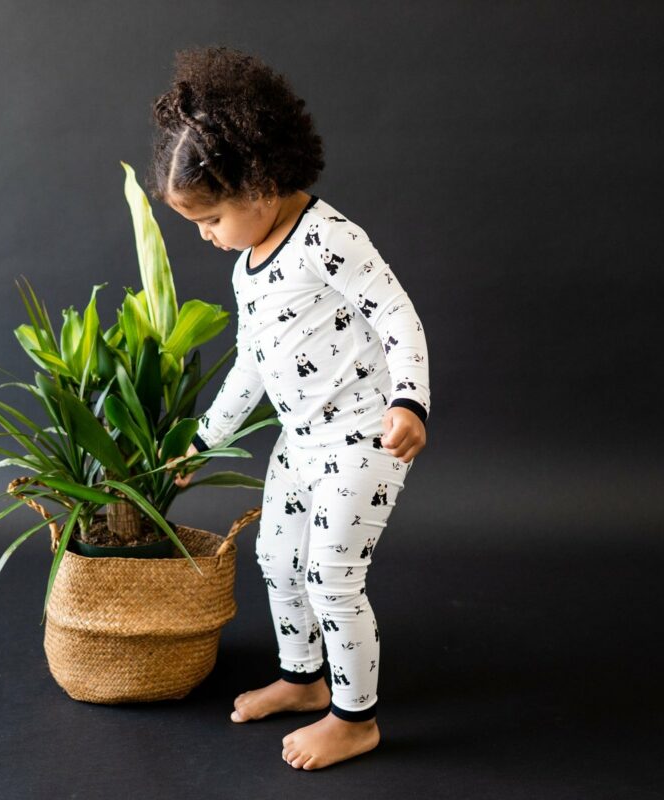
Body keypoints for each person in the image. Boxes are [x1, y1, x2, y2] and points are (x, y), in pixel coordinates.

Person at [146, 45, 430, 771]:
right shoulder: (248, 267)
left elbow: (395, 314)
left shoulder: (328, 241)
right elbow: (255, 363)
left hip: (364, 439)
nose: (206, 237)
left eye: (209, 218)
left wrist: (409, 401)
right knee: (276, 556)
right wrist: (201, 443)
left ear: (262, 186)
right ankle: (304, 680)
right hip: (300, 443)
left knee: (333, 575)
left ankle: (355, 718)